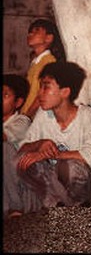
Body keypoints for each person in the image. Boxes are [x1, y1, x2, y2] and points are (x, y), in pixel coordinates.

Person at [4, 61, 91, 212]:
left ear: (65, 92)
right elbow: (24, 147)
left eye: (46, 87)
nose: (39, 94)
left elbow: (89, 156)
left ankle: (75, 211)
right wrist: (40, 144)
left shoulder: (86, 114)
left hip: (85, 186)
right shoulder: (44, 114)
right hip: (55, 187)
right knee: (22, 159)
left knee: (69, 166)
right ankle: (54, 206)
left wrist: (47, 154)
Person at [21, 18, 65, 119]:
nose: (30, 34)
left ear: (49, 38)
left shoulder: (49, 61)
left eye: (36, 31)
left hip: (34, 116)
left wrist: (27, 115)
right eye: (30, 32)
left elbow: (43, 92)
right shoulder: (36, 62)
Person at [3, 75, 31, 217]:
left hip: (21, 188)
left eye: (5, 95)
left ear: (18, 102)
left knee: (5, 148)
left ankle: (15, 209)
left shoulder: (22, 121)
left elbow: (5, 137)